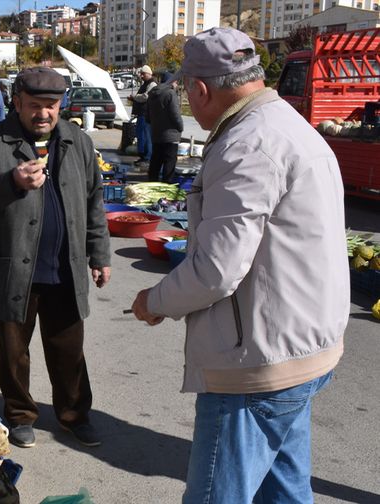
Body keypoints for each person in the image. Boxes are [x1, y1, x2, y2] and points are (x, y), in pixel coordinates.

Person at [130, 27, 349, 504]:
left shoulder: (247, 145)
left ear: (200, 89)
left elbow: (216, 270)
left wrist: (155, 301)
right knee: (285, 490)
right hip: (301, 348)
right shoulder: (286, 125)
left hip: (258, 364)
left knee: (217, 496)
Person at [0, 67, 111, 449]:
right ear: (17, 102)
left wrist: (100, 253)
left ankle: (75, 415)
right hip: (15, 269)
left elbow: (94, 200)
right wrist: (12, 181)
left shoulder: (77, 140)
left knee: (69, 352)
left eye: (51, 106)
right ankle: (20, 413)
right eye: (34, 106)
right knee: (13, 353)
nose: (43, 114)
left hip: (66, 268)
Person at [146, 72, 183, 182]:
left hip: (156, 134)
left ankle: (152, 184)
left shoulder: (152, 94)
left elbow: (147, 116)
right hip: (171, 135)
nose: (176, 85)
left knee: (156, 161)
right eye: (176, 82)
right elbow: (175, 115)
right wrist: (180, 127)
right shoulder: (170, 94)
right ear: (172, 81)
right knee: (169, 162)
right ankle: (166, 188)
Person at [129, 65, 156, 165]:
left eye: (143, 74)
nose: (141, 76)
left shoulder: (152, 84)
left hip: (146, 114)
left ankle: (147, 157)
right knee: (141, 135)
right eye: (141, 74)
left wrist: (135, 97)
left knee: (146, 136)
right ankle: (142, 156)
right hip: (141, 114)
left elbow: (145, 97)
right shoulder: (145, 83)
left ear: (149, 73)